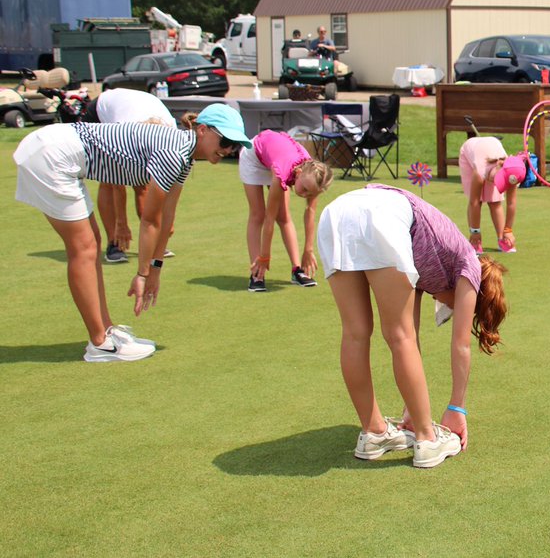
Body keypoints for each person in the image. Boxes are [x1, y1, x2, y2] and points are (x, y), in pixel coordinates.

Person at [12, 104, 252, 362]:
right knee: (84, 248)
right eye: (225, 140)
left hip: (57, 152)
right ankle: (100, 343)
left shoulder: (184, 156)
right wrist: (142, 274)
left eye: (234, 145)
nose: (228, 149)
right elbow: (150, 220)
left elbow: (167, 217)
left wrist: (155, 269)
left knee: (91, 244)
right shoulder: (174, 153)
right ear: (203, 130)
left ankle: (105, 331)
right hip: (52, 155)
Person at [316, 185, 509, 468]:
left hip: (337, 213)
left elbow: (413, 339)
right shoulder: (470, 263)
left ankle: (374, 432)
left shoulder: (433, 260)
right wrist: (457, 408)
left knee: (356, 333)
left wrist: (412, 408)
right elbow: (460, 345)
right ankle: (428, 440)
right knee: (399, 335)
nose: (448, 307)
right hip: (384, 216)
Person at [82, 88, 177, 264]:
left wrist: (167, 219)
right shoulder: (124, 135)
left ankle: (152, 238)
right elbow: (118, 183)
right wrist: (122, 224)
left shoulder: (172, 135)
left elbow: (169, 182)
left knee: (143, 184)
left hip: (135, 105)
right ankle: (114, 242)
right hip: (101, 112)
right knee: (108, 181)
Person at [242, 130, 335, 292]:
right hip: (254, 157)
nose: (305, 195)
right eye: (304, 189)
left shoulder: (314, 178)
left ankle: (296, 270)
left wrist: (308, 249)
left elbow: (310, 214)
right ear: (298, 174)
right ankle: (257, 273)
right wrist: (264, 256)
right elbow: (269, 219)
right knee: (258, 214)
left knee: (284, 216)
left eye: (311, 193)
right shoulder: (282, 173)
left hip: (277, 156)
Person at [458, 136, 523, 254]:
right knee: (478, 200)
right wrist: (475, 231)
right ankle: (475, 240)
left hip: (490, 148)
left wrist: (508, 230)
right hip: (469, 153)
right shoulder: (480, 171)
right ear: (499, 164)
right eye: (497, 178)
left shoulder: (513, 172)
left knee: (495, 201)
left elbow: (511, 203)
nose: (495, 182)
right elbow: (474, 202)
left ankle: (502, 239)